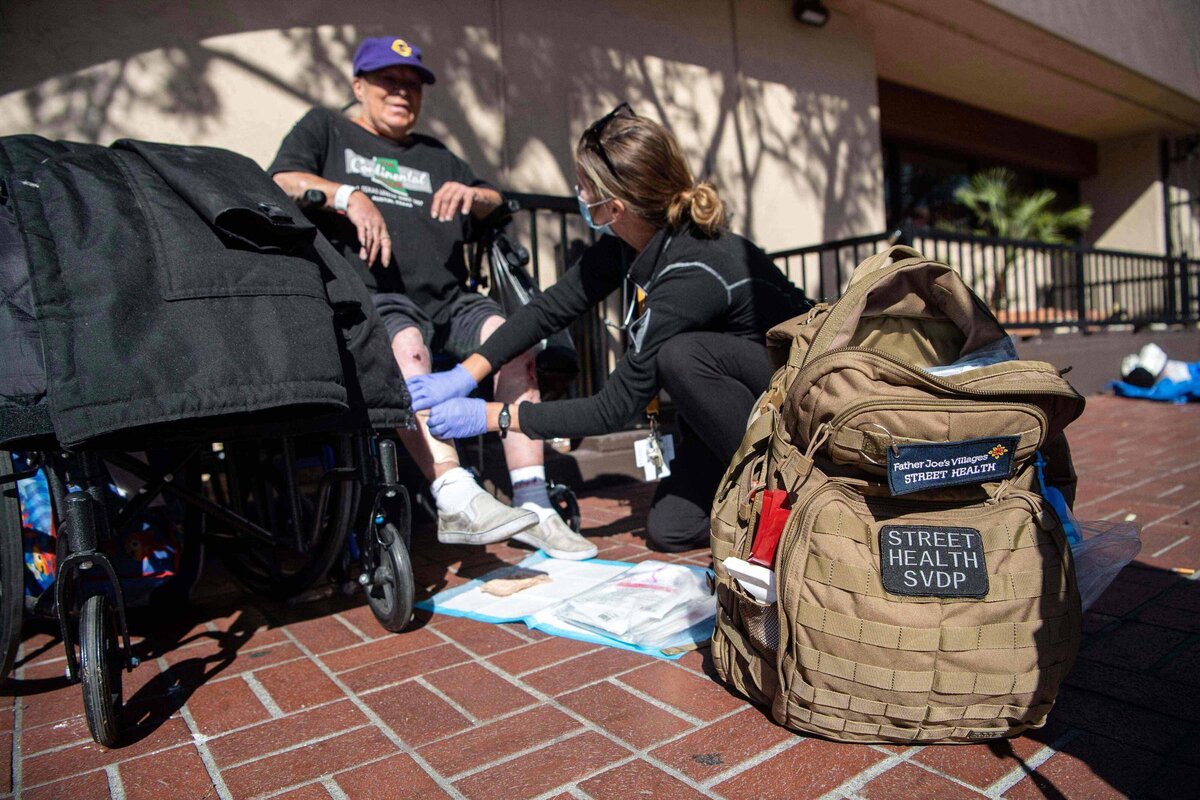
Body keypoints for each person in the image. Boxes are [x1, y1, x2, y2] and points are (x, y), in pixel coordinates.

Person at [410, 103, 812, 551]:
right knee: (670, 530)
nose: (577, 195)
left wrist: (493, 416)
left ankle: (792, 496)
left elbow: (613, 407)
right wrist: (467, 373)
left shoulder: (695, 269)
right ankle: (750, 513)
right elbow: (547, 311)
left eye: (583, 187)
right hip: (728, 415)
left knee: (681, 356)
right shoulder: (625, 244)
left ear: (614, 206)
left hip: (796, 402)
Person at [269, 36, 596, 559]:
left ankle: (534, 501)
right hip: (379, 295)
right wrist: (347, 195)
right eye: (388, 81)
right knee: (407, 349)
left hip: (449, 298)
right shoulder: (325, 129)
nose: (402, 93)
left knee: (512, 340)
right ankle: (454, 491)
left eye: (412, 84)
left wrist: (474, 196)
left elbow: (496, 200)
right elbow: (281, 180)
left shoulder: (436, 154)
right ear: (359, 85)